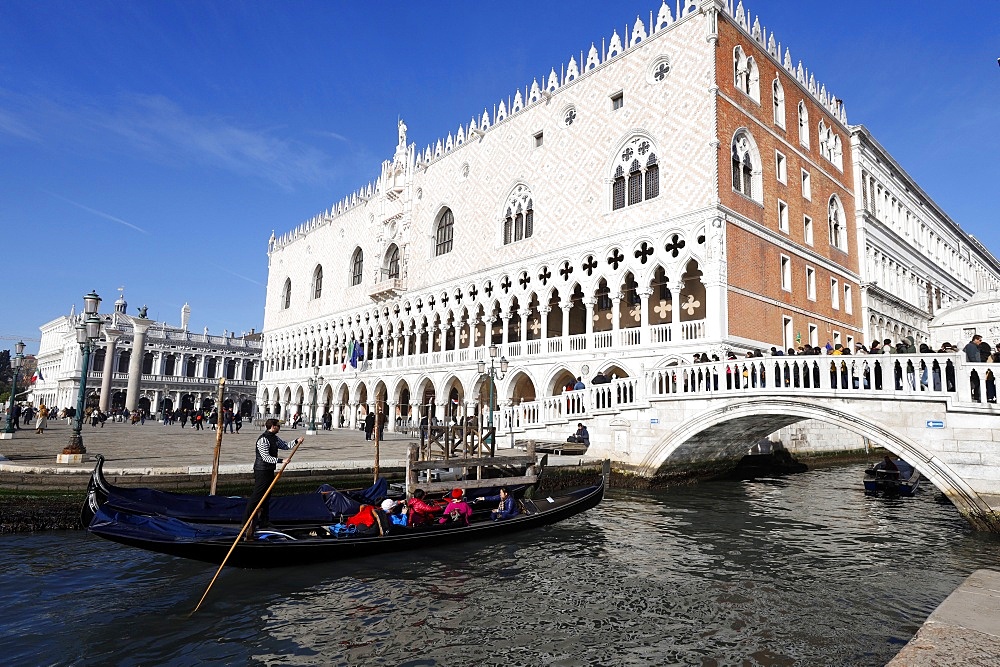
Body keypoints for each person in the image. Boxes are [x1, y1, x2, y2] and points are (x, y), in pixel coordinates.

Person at [242, 418, 302, 532]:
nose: (279, 427)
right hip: (261, 470)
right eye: (278, 426)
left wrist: (296, 441)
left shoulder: (274, 438)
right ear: (273, 426)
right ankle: (246, 522)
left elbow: (285, 445)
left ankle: (264, 521)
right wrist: (281, 461)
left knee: (267, 496)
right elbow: (265, 457)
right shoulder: (263, 439)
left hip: (269, 469)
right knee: (257, 496)